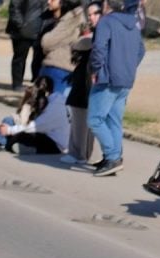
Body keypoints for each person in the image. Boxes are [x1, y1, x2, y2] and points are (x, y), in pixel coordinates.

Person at [86, 0, 143, 176]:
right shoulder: (134, 24)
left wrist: (95, 69)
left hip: (107, 78)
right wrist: (129, 66)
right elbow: (141, 50)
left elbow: (98, 47)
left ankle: (112, 157)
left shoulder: (106, 21)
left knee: (95, 119)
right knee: (113, 120)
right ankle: (113, 157)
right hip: (125, 79)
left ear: (107, 5)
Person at [0, 75, 68, 154]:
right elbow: (23, 117)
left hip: (55, 144)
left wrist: (9, 130)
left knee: (17, 136)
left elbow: (35, 126)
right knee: (8, 120)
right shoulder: (56, 99)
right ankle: (3, 142)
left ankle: (6, 143)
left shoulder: (54, 107)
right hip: (44, 133)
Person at [61, 2, 100, 165]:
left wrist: (81, 39)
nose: (91, 17)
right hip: (82, 77)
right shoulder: (93, 30)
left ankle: (80, 153)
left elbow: (80, 44)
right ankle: (79, 152)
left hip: (88, 79)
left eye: (95, 14)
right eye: (89, 14)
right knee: (80, 115)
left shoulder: (100, 32)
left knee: (83, 117)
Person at [5, 0, 46, 91]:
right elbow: (14, 8)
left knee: (39, 58)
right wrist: (22, 25)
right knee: (20, 58)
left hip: (40, 29)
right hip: (22, 31)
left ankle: (36, 81)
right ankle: (17, 83)